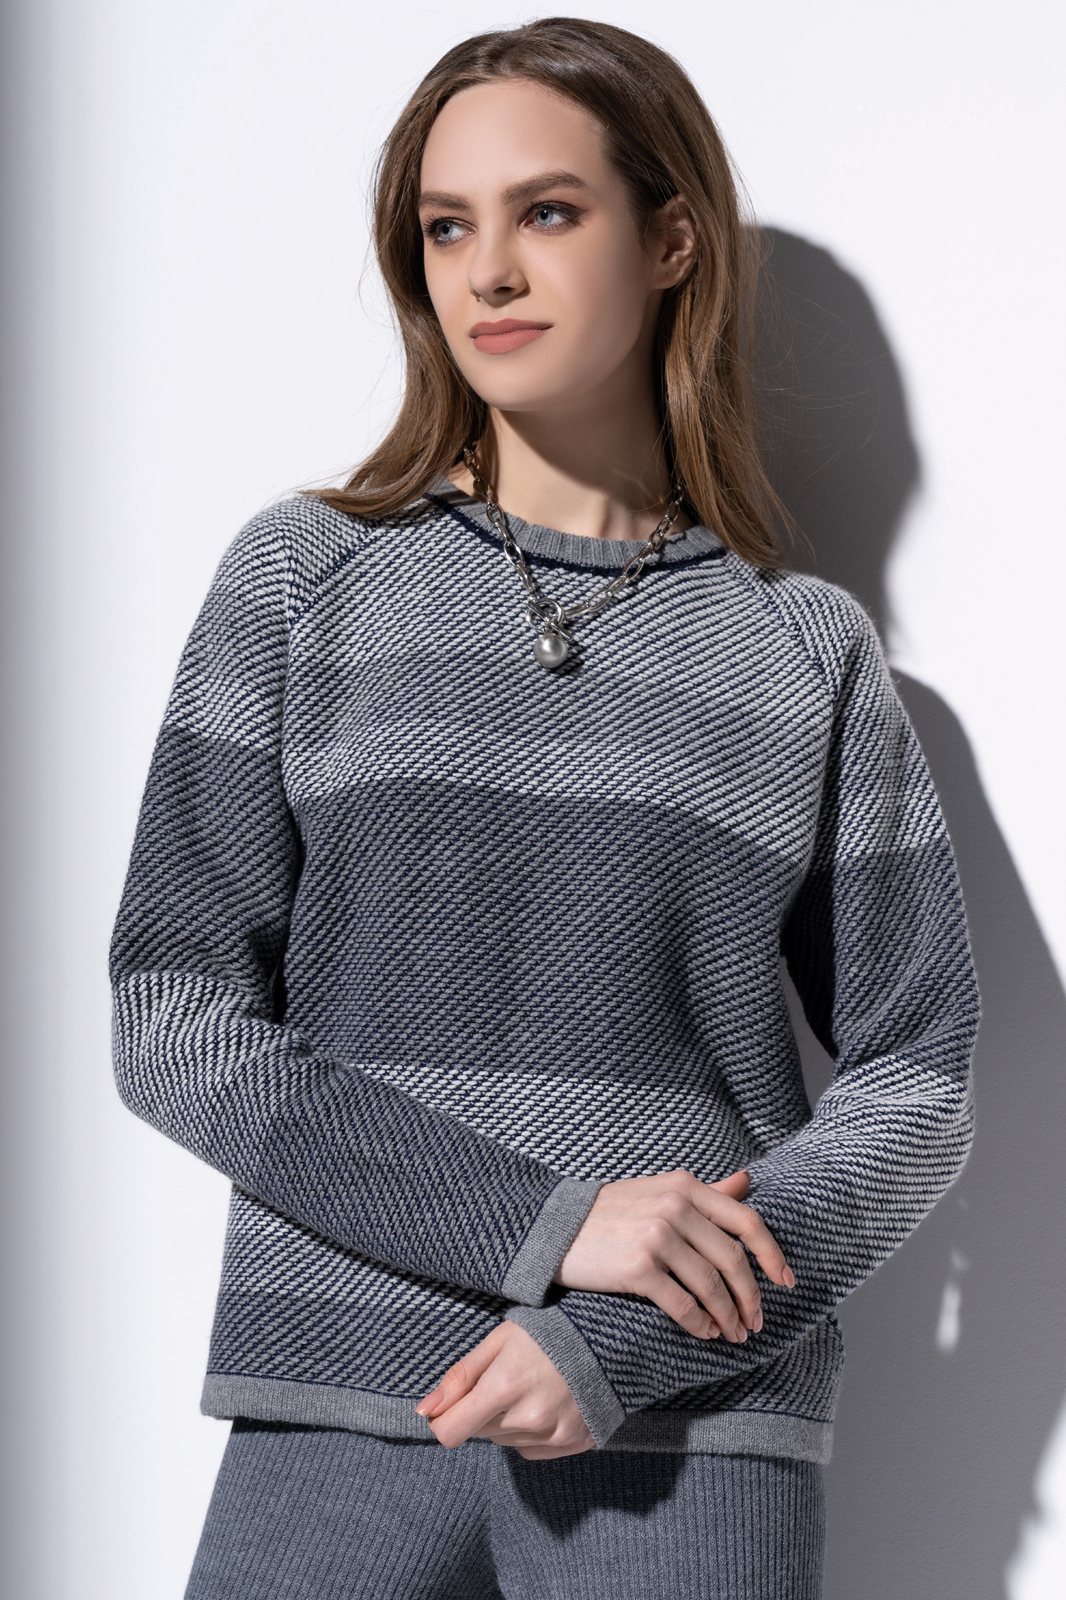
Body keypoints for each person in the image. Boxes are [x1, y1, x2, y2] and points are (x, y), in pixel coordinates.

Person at [110, 18, 979, 1599]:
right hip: (337, 1404)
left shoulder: (803, 651)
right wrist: (550, 1227)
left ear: (669, 240)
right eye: (446, 227)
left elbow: (915, 1082)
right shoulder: (303, 580)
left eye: (547, 212)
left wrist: (621, 1337)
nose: (488, 271)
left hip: (687, 1433)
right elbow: (173, 1021)